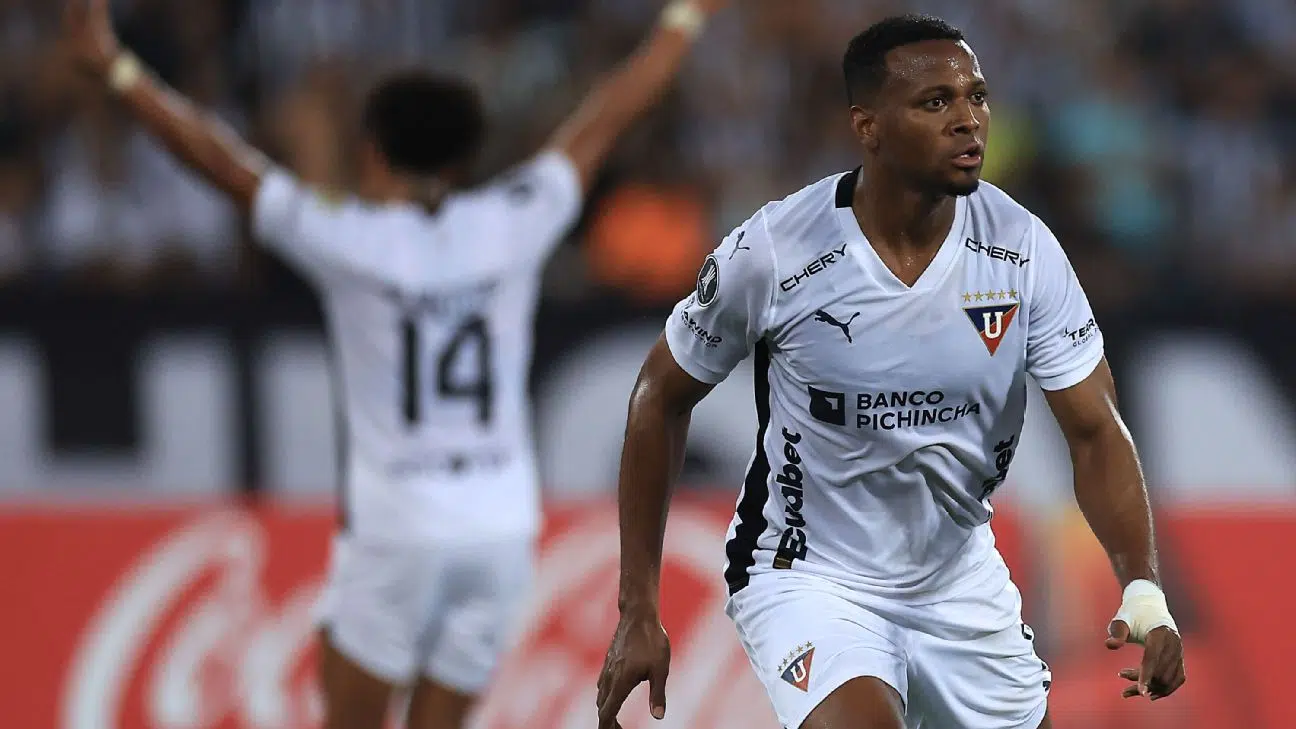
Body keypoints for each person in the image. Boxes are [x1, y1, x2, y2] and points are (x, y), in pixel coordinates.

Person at [62, 0, 728, 727]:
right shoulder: (515, 219)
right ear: (464, 160)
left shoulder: (348, 237)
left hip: (398, 528)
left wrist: (119, 71)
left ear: (373, 154)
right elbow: (608, 114)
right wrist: (683, 19)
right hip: (499, 526)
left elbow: (225, 164)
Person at [596, 14, 1186, 729]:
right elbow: (660, 394)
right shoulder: (776, 251)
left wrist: (1144, 591)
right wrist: (638, 605)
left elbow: (1096, 431)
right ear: (867, 126)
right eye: (935, 102)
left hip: (959, 579)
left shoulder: (1023, 249)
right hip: (810, 575)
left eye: (976, 96)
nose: (968, 120)